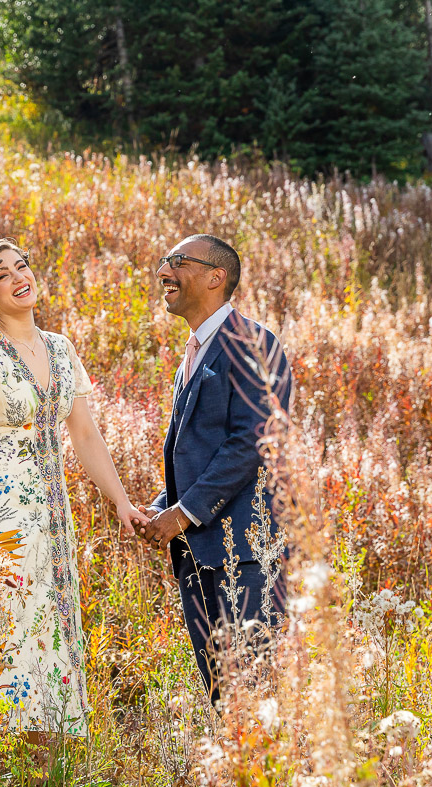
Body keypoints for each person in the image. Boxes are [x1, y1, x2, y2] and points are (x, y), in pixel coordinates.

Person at [0, 236, 148, 741]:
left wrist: (121, 501)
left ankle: (47, 747)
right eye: (2, 275)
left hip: (52, 513)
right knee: (6, 622)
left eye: (22, 266)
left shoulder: (59, 348)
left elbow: (85, 434)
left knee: (49, 621)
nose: (18, 278)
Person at [135, 234, 292, 706]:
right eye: (163, 260)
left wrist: (182, 514)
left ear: (215, 276)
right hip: (199, 554)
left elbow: (252, 442)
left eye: (177, 262)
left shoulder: (253, 343)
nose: (164, 271)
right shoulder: (196, 349)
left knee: (257, 695)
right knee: (225, 696)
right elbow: (202, 448)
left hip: (246, 554)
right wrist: (161, 507)